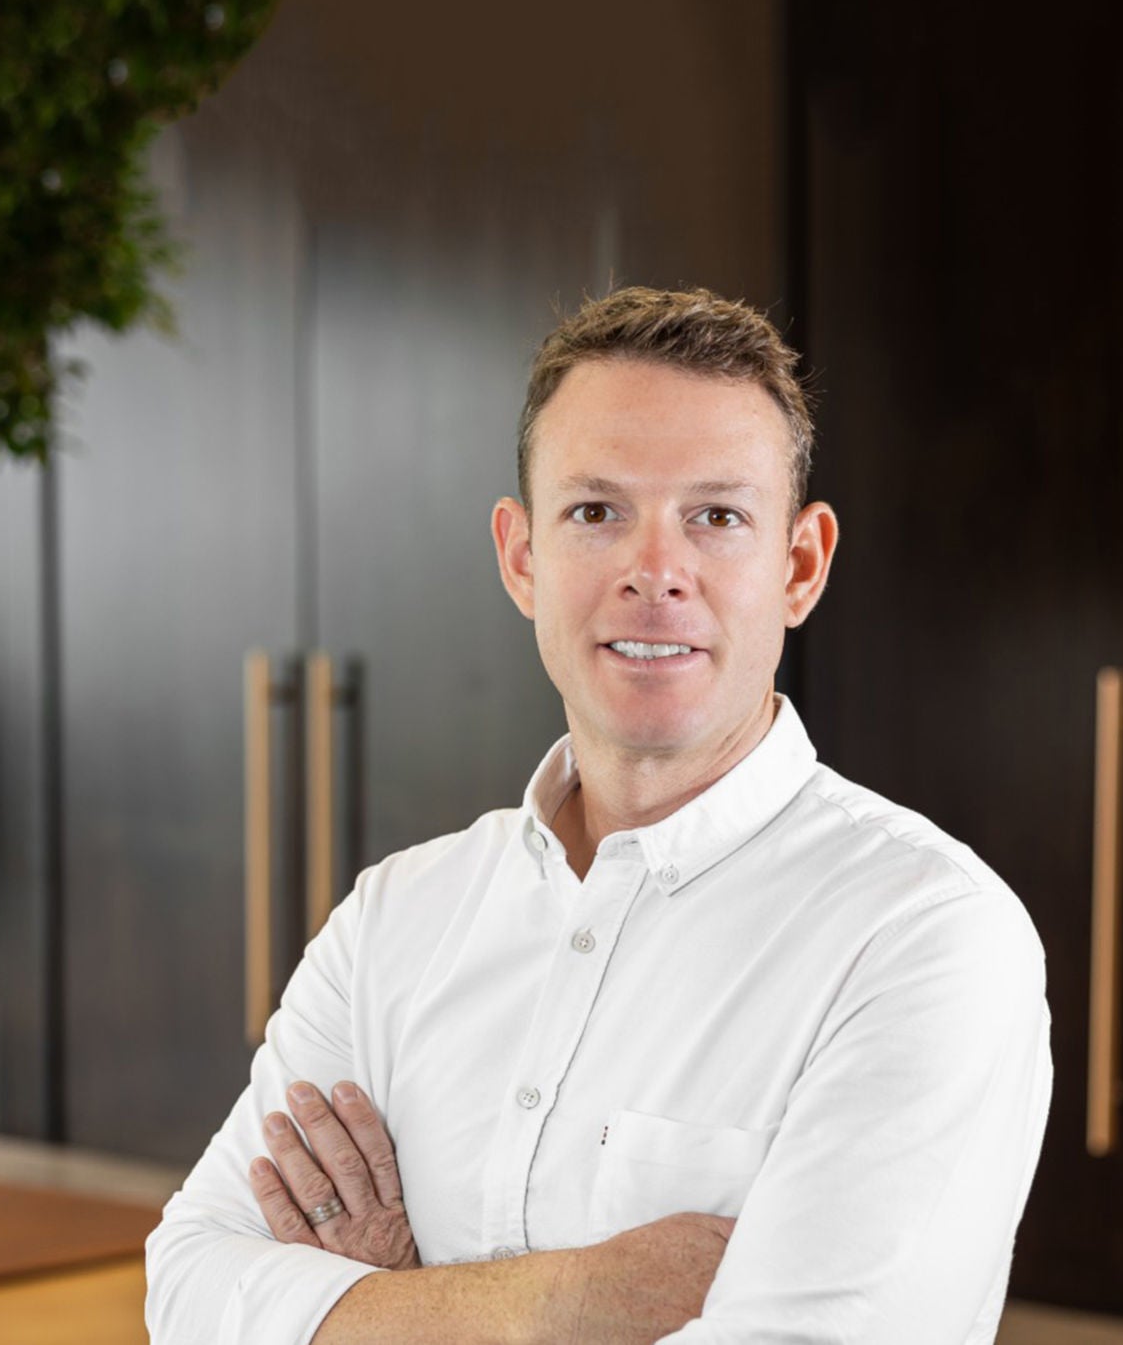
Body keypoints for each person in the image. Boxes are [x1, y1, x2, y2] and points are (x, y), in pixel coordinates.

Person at [144, 287, 1053, 1345]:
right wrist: (558, 1302)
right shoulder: (394, 920)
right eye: (595, 512)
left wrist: (376, 1309)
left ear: (798, 566)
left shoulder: (926, 937)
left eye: (716, 517)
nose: (654, 574)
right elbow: (189, 1287)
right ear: (520, 556)